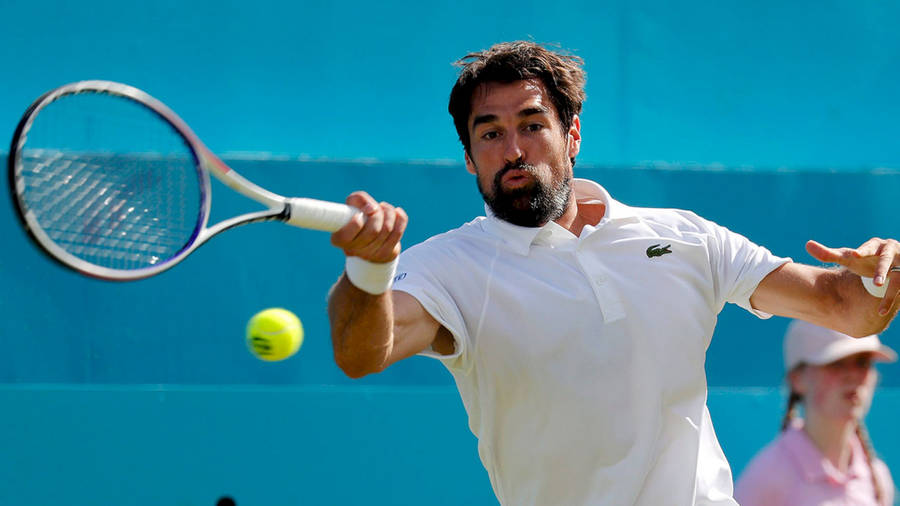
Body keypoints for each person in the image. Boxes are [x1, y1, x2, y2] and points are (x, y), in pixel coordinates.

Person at [326, 41, 900, 505]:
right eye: (491, 133)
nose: (514, 151)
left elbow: (846, 307)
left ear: (572, 134)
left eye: (532, 124)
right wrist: (369, 273)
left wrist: (883, 275)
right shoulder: (445, 267)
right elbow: (361, 353)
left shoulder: (687, 237)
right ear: (471, 158)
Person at [734, 320, 896, 505]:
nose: (853, 375)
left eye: (862, 363)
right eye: (836, 363)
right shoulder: (766, 478)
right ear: (797, 379)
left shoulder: (878, 477)